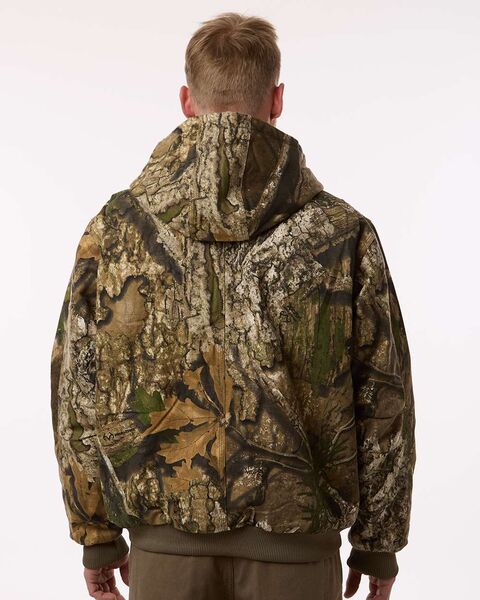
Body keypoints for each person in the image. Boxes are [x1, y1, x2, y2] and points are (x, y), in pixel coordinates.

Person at [50, 11, 416, 600]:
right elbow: (384, 394)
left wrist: (95, 532)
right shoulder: (342, 234)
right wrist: (379, 540)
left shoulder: (115, 230)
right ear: (277, 99)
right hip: (297, 556)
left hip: (164, 550)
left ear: (186, 101)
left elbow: (76, 388)